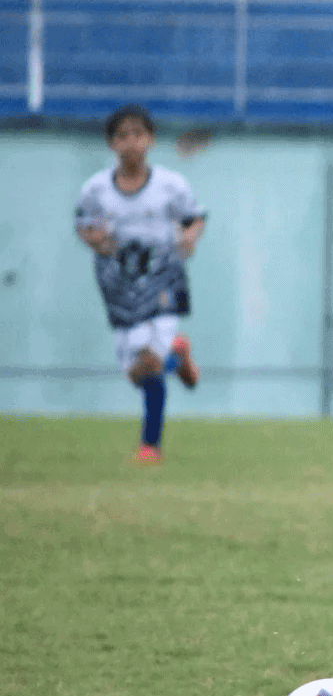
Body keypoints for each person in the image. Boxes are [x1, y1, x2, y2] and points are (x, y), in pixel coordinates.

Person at [74, 105, 205, 464]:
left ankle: (150, 446)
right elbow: (84, 226)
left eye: (138, 134)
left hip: (163, 279)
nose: (131, 142)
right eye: (122, 135)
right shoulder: (96, 189)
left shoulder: (171, 185)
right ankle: (176, 357)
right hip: (119, 285)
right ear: (111, 143)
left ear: (150, 139)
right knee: (137, 374)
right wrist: (97, 239)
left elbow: (194, 219)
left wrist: (188, 238)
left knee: (147, 363)